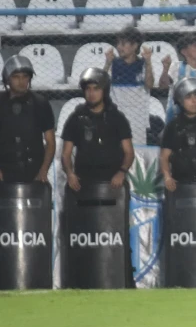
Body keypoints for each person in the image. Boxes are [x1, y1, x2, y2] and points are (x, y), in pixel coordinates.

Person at [60, 69, 135, 219]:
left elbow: (129, 152)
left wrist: (121, 172)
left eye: (96, 89)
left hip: (112, 182)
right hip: (83, 181)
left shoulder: (117, 118)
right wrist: (70, 174)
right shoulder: (76, 118)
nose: (91, 93)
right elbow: (66, 153)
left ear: (104, 91)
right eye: (88, 89)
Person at [0, 56, 56, 186]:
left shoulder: (40, 103)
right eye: (16, 77)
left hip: (33, 171)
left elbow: (50, 142)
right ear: (7, 79)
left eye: (25, 76)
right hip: (4, 170)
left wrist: (43, 170)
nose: (21, 81)